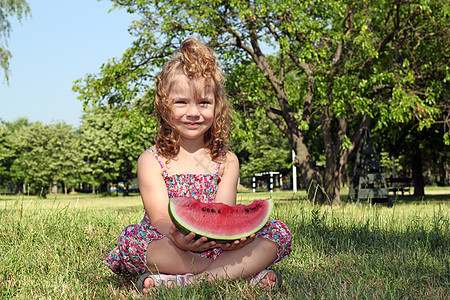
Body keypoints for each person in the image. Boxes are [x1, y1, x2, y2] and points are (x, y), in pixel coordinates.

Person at [104, 37, 292, 293]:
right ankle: (239, 274)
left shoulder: (227, 161)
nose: (193, 112)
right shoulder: (151, 160)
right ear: (164, 104)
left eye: (204, 103)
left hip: (216, 246)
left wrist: (232, 241)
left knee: (277, 233)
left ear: (218, 106)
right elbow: (159, 218)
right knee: (134, 241)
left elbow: (223, 213)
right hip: (169, 241)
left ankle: (182, 282)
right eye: (181, 102)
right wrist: (179, 239)